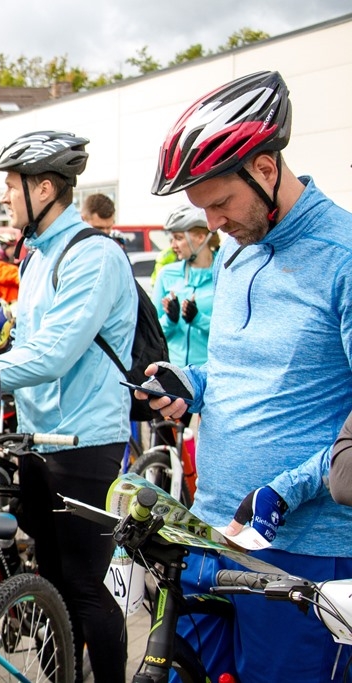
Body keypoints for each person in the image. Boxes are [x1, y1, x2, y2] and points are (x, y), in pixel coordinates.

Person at [145, 70, 352, 683]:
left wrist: (286, 487)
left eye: (218, 204)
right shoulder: (237, 247)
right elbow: (245, 369)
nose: (210, 225)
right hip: (212, 530)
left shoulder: (342, 255)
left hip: (304, 553)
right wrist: (192, 383)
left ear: (265, 169)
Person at [0, 130, 135, 683]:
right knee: (49, 581)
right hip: (37, 438)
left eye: (11, 186)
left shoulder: (92, 256)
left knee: (82, 584)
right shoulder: (35, 258)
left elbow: (51, 356)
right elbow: (26, 346)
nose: (6, 197)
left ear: (44, 187)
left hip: (86, 443)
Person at [152, 205, 218, 366]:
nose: (173, 245)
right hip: (175, 374)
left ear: (201, 237)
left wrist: (198, 319)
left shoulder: (225, 274)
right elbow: (152, 333)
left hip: (211, 375)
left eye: (179, 238)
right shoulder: (166, 275)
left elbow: (231, 332)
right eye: (172, 239)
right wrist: (170, 320)